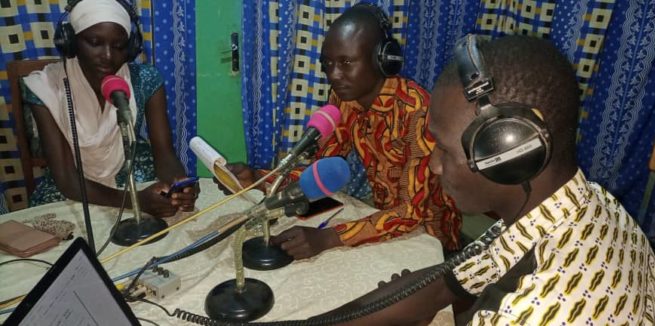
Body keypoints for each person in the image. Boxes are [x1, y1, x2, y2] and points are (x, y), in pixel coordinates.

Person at [306, 35, 655, 325]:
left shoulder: (526, 314)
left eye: (445, 151)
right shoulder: (584, 204)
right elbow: (439, 288)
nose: (433, 165)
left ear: (511, 152)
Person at [221, 3, 461, 259]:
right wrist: (258, 179)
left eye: (346, 62)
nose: (334, 75)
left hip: (430, 240)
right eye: (327, 63)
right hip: (378, 220)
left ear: (383, 59)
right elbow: (320, 172)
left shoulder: (418, 112)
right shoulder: (343, 99)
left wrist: (328, 238)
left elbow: (410, 212)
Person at [22, 0, 197, 217]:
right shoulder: (45, 87)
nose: (107, 56)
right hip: (74, 185)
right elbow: (66, 179)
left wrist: (179, 186)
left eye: (119, 46)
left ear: (130, 47)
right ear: (71, 41)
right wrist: (136, 201)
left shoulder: (145, 80)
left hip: (135, 171)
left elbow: (164, 154)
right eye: (95, 42)